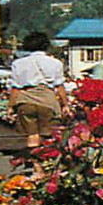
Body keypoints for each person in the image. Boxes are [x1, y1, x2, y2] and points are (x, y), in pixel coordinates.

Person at [9, 32, 69, 165]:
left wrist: (10, 106)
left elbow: (15, 87)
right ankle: (47, 164)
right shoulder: (55, 63)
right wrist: (65, 105)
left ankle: (36, 167)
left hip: (26, 99)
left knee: (32, 135)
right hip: (47, 99)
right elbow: (59, 86)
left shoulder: (18, 63)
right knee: (47, 134)